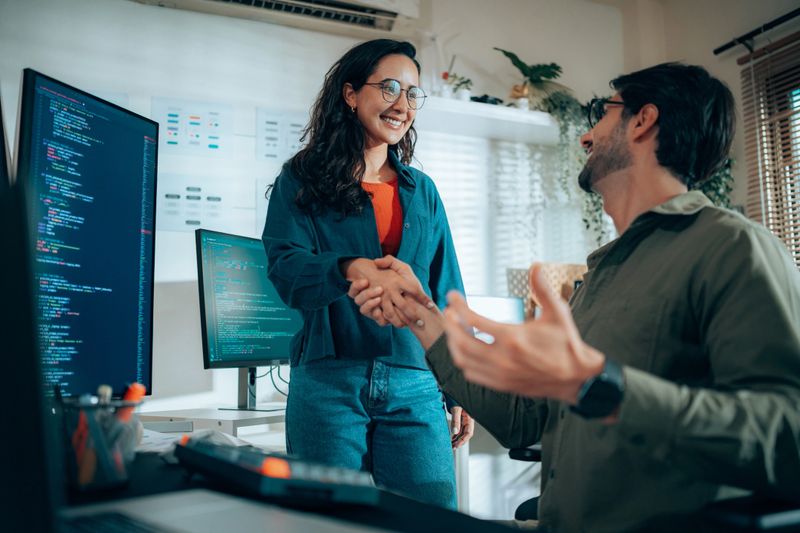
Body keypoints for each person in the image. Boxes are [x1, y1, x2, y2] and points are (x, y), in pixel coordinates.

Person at [348, 62, 800, 531]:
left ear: (643, 121)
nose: (585, 138)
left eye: (602, 115)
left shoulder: (730, 248)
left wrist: (597, 384)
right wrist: (421, 316)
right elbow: (525, 420)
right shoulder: (604, 274)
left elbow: (787, 437)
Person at [262, 39, 474, 510]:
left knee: (432, 519)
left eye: (413, 94)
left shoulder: (424, 193)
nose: (403, 105)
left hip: (415, 382)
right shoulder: (302, 179)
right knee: (331, 521)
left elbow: (448, 289)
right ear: (351, 93)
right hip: (329, 379)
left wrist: (461, 384)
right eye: (391, 88)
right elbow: (286, 269)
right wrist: (347, 267)